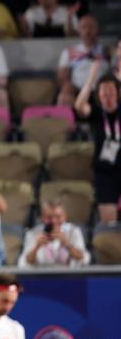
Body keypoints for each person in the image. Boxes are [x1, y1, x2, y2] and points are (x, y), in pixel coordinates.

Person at [74, 65, 121, 225]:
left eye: (111, 92)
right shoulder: (96, 113)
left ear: (118, 93)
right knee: (108, 222)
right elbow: (80, 106)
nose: (107, 96)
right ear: (99, 95)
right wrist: (91, 79)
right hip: (105, 171)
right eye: (103, 93)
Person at [18, 199, 90, 267]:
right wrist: (36, 247)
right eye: (49, 217)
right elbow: (27, 262)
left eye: (58, 217)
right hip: (42, 276)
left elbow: (82, 258)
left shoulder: (73, 231)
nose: (54, 221)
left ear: (65, 217)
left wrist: (66, 243)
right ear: (42, 218)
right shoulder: (32, 233)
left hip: (69, 276)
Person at [56, 15, 107, 107]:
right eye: (84, 27)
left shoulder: (108, 52)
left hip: (102, 90)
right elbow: (62, 79)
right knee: (65, 92)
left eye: (91, 27)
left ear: (98, 30)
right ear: (78, 31)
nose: (88, 31)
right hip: (78, 90)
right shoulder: (69, 52)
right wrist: (68, 88)